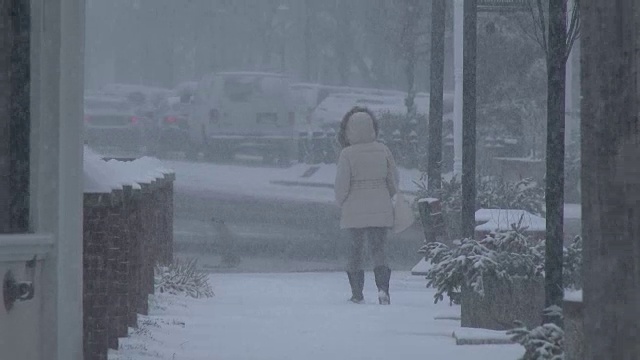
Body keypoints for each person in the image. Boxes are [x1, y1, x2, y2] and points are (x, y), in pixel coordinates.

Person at [334, 107, 399, 305]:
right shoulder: (383, 150)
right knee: (378, 250)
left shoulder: (347, 154)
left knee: (355, 251)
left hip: (354, 211)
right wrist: (384, 195)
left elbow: (341, 186)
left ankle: (357, 292)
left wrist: (342, 202)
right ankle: (383, 289)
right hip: (380, 208)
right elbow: (393, 180)